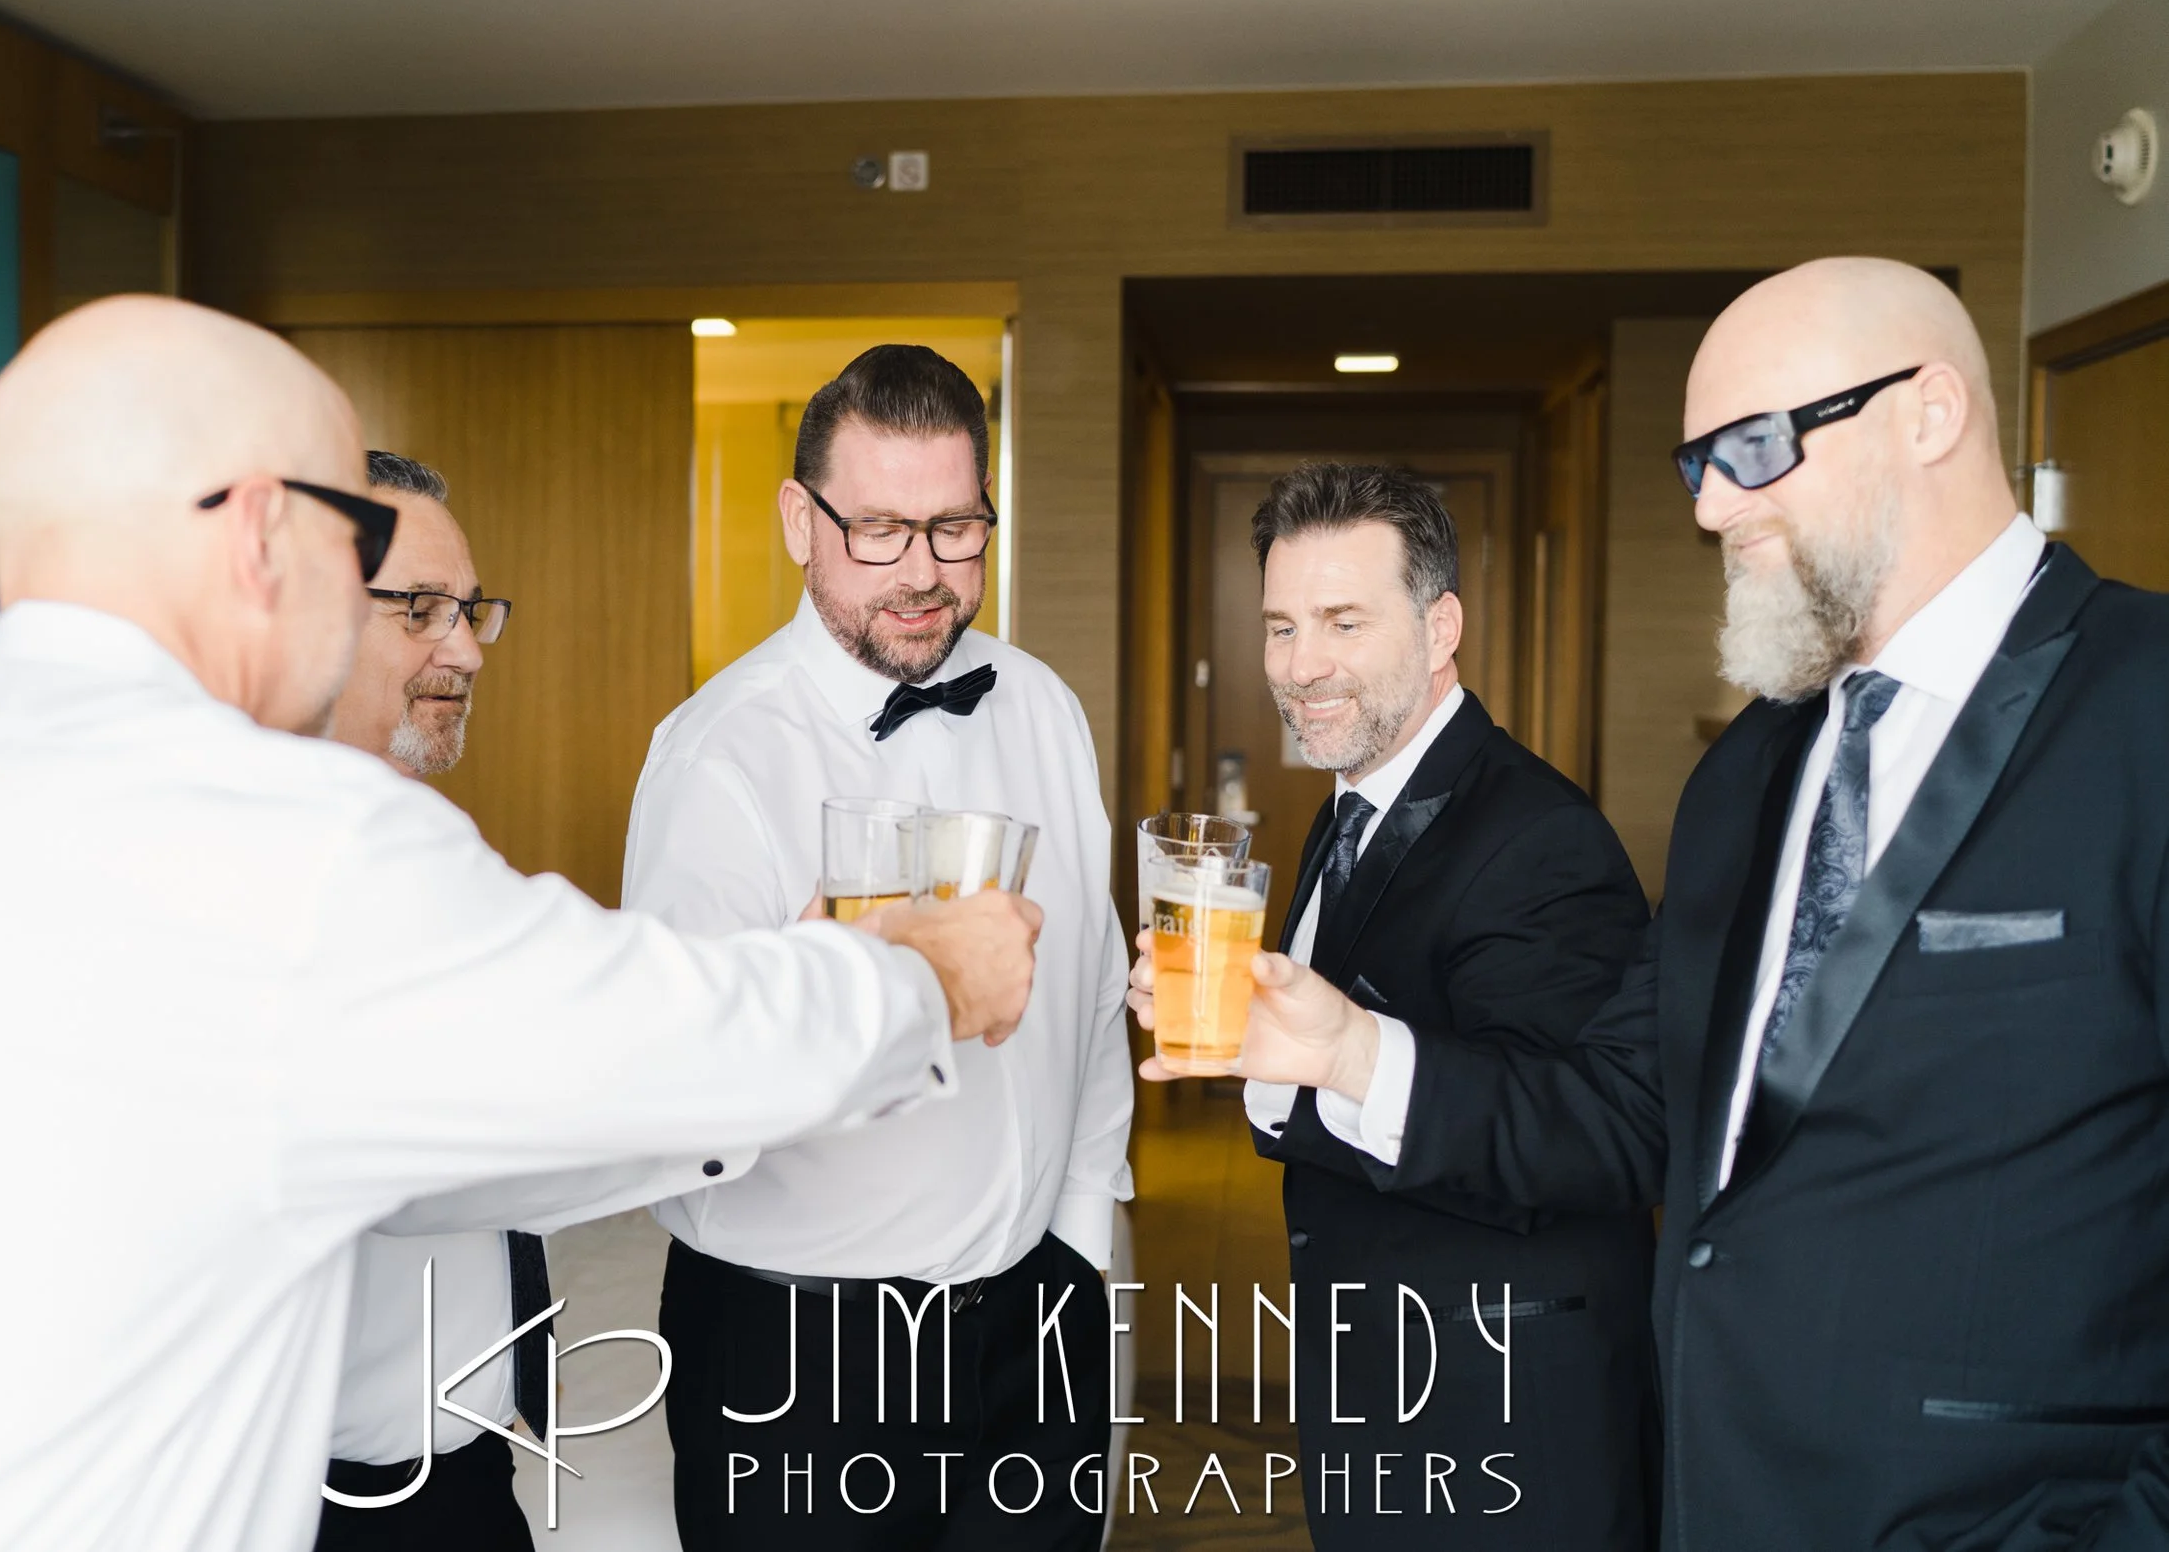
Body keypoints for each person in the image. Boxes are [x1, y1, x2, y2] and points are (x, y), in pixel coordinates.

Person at [0, 296, 1043, 1552]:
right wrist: (921, 974)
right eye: (364, 547)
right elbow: (646, 1051)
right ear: (262, 531)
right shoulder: (275, 841)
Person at [1142, 257, 2169, 1549]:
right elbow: (1626, 1115)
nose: (1714, 506)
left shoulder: (2146, 703)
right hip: (1718, 1489)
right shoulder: (1747, 771)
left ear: (1930, 412)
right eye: (1699, 465)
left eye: (1755, 445)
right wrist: (1345, 1050)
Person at [623, 345, 1132, 1551]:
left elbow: (1090, 996)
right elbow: (665, 1092)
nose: (920, 574)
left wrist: (1077, 1247)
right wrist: (822, 993)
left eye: (954, 529)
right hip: (798, 1352)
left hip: (1034, 1325)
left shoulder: (1043, 706)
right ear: (800, 521)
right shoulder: (720, 756)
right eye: (880, 531)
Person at [1158, 462, 1655, 1546]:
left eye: (1343, 622)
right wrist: (1258, 1040)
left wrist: (1351, 1053)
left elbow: (1603, 1135)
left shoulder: (1541, 837)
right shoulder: (1352, 807)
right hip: (1382, 1389)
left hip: (1505, 1417)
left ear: (1441, 629)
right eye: (1281, 627)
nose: (1302, 665)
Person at [320, 450, 723, 1550]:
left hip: (463, 1472)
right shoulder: (276, 871)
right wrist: (816, 1028)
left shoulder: (428, 840)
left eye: (470, 609)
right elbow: (444, 1158)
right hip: (323, 1504)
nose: (464, 648)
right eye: (418, 608)